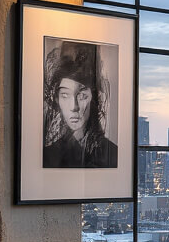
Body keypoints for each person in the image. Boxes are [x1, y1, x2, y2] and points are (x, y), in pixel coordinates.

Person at [42, 40, 118, 168]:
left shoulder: (112, 154)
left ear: (93, 98)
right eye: (65, 95)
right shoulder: (47, 156)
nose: (74, 107)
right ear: (56, 99)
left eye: (82, 96)